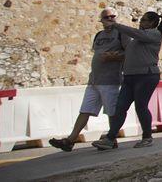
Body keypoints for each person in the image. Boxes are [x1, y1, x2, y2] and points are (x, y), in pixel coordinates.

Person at [47, 8, 125, 152]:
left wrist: (114, 56)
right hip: (94, 79)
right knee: (85, 110)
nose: (110, 19)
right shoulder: (99, 35)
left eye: (113, 16)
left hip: (110, 79)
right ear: (101, 20)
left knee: (111, 111)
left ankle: (111, 138)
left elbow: (129, 53)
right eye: (106, 17)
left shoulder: (122, 34)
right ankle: (70, 140)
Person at [92, 10, 162, 150]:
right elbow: (131, 50)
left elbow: (136, 34)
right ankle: (110, 138)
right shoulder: (138, 39)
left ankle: (147, 137)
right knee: (120, 107)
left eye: (144, 20)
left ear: (151, 23)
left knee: (141, 106)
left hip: (146, 76)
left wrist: (116, 25)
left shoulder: (154, 34)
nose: (141, 22)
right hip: (130, 76)